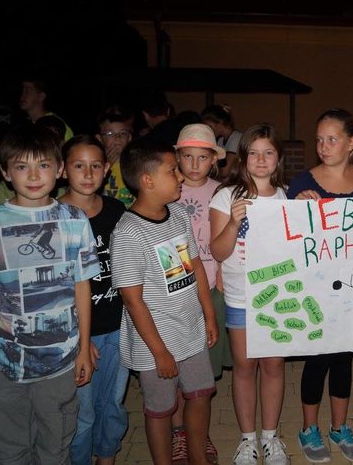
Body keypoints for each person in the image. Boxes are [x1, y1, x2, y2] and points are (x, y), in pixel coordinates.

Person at [0, 124, 98, 463]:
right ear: (6, 172)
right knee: (11, 448)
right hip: (4, 363)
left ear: (59, 170)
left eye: (43, 165)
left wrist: (83, 349)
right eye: (21, 166)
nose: (34, 175)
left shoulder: (75, 220)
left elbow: (82, 286)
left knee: (56, 445)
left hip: (61, 361)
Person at [110, 137, 219, 465]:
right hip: (155, 341)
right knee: (160, 409)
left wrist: (208, 315)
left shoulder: (178, 214)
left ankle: (198, 457)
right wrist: (160, 352)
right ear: (148, 181)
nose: (181, 176)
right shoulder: (128, 233)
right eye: (172, 171)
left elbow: (195, 265)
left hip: (191, 329)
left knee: (200, 394)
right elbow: (133, 301)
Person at [288, 109, 353, 463]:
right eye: (319, 140)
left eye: (332, 139)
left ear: (352, 142)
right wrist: (295, 209)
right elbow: (287, 238)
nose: (323, 146)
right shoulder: (301, 183)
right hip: (316, 287)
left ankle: (339, 427)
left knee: (343, 358)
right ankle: (308, 428)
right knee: (317, 358)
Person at [209, 124, 289, 465]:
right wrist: (232, 223)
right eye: (253, 153)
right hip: (241, 297)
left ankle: (270, 437)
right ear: (243, 158)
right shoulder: (226, 196)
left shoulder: (285, 196)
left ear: (278, 158)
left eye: (268, 152)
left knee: (274, 365)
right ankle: (247, 439)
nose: (261, 159)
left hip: (277, 296)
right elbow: (218, 251)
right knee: (244, 366)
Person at [60, 136, 129, 465]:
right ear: (63, 170)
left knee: (112, 403)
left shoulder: (117, 211)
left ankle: (107, 456)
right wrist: (80, 338)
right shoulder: (54, 216)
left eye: (95, 166)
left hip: (118, 325)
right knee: (81, 411)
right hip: (74, 334)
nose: (88, 174)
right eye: (79, 165)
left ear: (106, 169)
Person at [172, 124, 228, 464]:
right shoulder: (168, 190)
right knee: (179, 364)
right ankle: (180, 431)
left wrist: (222, 270)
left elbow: (231, 237)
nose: (194, 165)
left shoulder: (221, 192)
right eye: (188, 157)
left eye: (202, 158)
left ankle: (199, 431)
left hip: (212, 287)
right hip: (177, 291)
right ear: (177, 158)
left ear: (214, 160)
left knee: (203, 368)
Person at [96, 107, 135, 207]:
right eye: (110, 133)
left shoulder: (137, 162)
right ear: (99, 138)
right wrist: (105, 167)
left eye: (123, 133)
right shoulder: (94, 165)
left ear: (129, 137)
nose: (118, 137)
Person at [202, 105, 243, 180]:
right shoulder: (220, 140)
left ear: (220, 122)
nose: (208, 131)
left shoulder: (236, 137)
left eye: (210, 127)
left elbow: (225, 172)